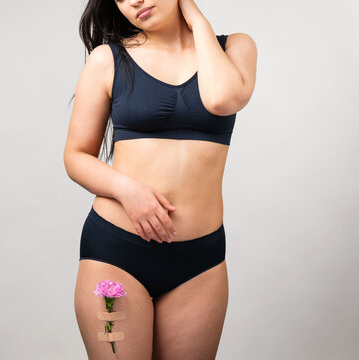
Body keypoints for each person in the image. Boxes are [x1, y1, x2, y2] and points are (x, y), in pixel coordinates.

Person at [63, 0, 257, 358]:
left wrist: (194, 18)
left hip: (199, 264)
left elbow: (222, 99)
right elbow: (76, 157)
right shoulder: (108, 60)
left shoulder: (235, 48)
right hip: (116, 254)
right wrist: (127, 190)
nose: (133, 1)